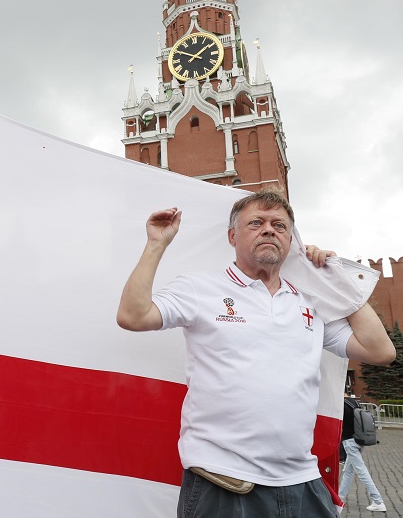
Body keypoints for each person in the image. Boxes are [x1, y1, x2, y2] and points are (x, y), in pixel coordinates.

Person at [117, 190, 396, 518]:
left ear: (291, 241)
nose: (269, 230)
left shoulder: (310, 303)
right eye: (256, 223)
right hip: (223, 481)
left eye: (280, 225)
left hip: (303, 482)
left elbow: (381, 351)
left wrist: (339, 283)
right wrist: (156, 245)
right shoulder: (199, 288)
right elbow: (133, 316)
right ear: (232, 236)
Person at [340, 393, 386, 512]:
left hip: (349, 442)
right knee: (348, 471)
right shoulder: (354, 402)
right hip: (359, 439)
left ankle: (378, 501)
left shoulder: (340, 405)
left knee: (361, 471)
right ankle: (340, 498)